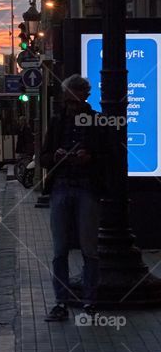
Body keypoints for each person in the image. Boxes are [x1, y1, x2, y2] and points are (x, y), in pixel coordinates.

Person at [40, 74, 107, 321]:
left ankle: (88, 302)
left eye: (75, 102)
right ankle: (62, 302)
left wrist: (89, 156)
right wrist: (56, 156)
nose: (71, 106)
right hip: (62, 185)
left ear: (85, 97)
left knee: (88, 248)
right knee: (60, 249)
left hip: (86, 187)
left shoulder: (96, 121)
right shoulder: (58, 121)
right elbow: (44, 155)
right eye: (68, 101)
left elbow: (107, 155)